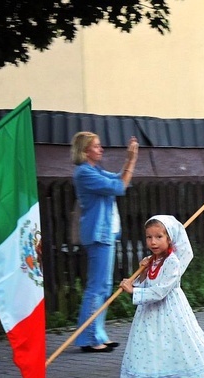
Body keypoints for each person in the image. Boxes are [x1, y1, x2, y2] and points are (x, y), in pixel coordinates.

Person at [119, 216, 204, 378]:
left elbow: (160, 291)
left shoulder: (172, 262)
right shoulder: (151, 261)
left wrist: (134, 292)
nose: (153, 242)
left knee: (169, 353)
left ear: (169, 239)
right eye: (149, 237)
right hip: (149, 316)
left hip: (168, 313)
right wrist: (138, 277)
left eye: (159, 236)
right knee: (149, 355)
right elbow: (150, 282)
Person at [72, 132, 139, 353]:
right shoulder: (84, 173)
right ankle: (90, 338)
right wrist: (131, 160)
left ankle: (97, 334)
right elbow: (118, 187)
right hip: (98, 234)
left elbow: (119, 179)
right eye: (97, 146)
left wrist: (130, 160)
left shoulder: (95, 170)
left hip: (105, 234)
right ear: (85, 151)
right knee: (96, 287)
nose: (101, 149)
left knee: (102, 286)